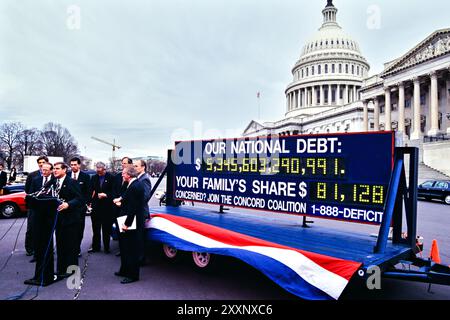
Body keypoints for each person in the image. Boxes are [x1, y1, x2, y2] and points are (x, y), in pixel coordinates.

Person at [114, 166, 145, 284]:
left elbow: (133, 208)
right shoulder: (131, 184)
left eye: (123, 173)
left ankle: (133, 275)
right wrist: (120, 200)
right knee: (124, 247)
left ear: (129, 175)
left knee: (131, 249)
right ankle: (124, 269)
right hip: (126, 219)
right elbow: (126, 197)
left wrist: (127, 224)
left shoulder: (135, 186)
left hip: (131, 222)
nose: (122, 175)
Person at [52, 162, 83, 278]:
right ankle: (60, 269)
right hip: (58, 219)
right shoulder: (53, 182)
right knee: (60, 245)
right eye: (54, 169)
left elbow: (80, 199)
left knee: (71, 245)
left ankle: (72, 270)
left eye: (57, 169)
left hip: (71, 219)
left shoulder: (72, 182)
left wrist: (68, 204)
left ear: (64, 170)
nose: (55, 171)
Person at [28, 162, 55, 263]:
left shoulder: (55, 181)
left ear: (51, 170)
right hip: (38, 212)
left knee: (49, 234)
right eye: (42, 170)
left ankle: (49, 253)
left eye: (46, 170)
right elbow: (30, 194)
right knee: (37, 233)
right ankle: (37, 255)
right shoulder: (36, 180)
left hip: (51, 213)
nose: (43, 172)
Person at [24, 156, 49, 257]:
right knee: (31, 227)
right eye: (39, 162)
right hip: (34, 206)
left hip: (46, 207)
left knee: (45, 228)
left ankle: (43, 248)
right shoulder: (32, 175)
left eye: (43, 162)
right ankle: (30, 249)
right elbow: (27, 189)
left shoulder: (51, 175)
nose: (41, 164)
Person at [69, 157, 92, 257]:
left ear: (79, 165)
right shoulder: (67, 175)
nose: (73, 166)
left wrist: (86, 203)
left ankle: (76, 248)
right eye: (72, 165)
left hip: (80, 209)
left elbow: (89, 191)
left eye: (75, 164)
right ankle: (69, 248)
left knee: (79, 229)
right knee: (69, 229)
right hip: (68, 207)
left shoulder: (85, 177)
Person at [90, 162, 114, 253]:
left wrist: (106, 195)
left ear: (105, 169)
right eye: (97, 171)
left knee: (106, 229)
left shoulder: (111, 178)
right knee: (95, 229)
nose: (99, 173)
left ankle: (107, 248)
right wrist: (89, 202)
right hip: (96, 207)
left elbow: (114, 192)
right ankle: (96, 247)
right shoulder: (94, 177)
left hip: (107, 207)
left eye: (100, 171)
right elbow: (90, 190)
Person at [112, 157, 133, 257]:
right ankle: (121, 249)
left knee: (127, 231)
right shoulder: (117, 177)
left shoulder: (133, 180)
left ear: (130, 164)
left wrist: (122, 201)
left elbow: (128, 194)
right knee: (119, 230)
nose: (123, 165)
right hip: (116, 207)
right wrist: (115, 200)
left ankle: (127, 250)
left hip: (126, 209)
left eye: (125, 163)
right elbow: (114, 190)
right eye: (122, 163)